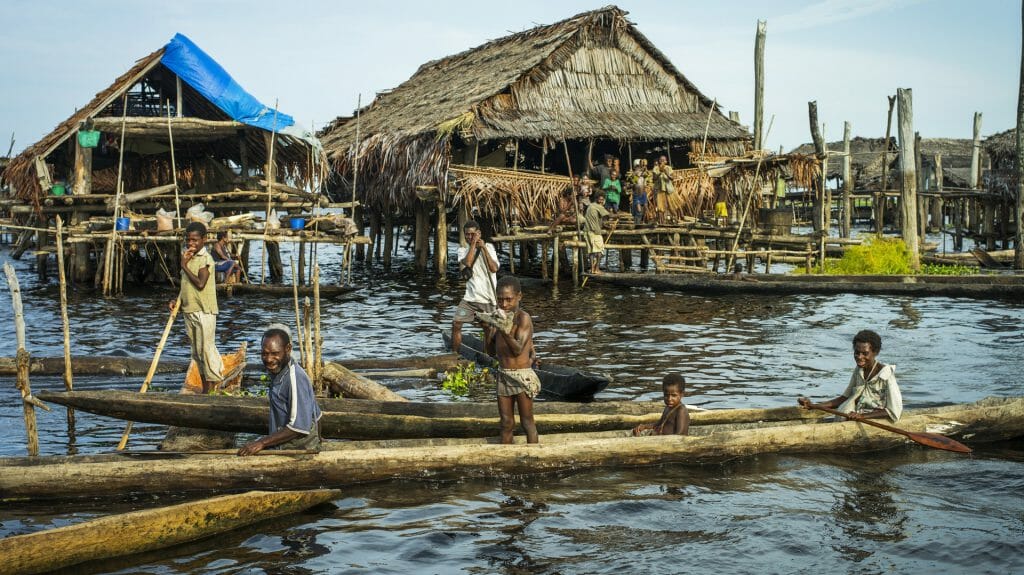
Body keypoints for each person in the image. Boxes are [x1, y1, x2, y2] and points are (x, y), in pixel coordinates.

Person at [238, 326, 323, 455]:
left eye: (275, 353)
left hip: (296, 449)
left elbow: (298, 427)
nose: (269, 359)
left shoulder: (295, 378)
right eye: (265, 354)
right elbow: (317, 414)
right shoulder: (280, 371)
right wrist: (319, 439)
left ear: (288, 349)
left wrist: (262, 443)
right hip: (285, 443)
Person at [798, 330, 903, 422]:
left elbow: (894, 410)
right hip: (855, 417)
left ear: (875, 352)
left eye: (865, 353)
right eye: (857, 353)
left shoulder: (886, 375)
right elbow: (844, 398)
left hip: (873, 421)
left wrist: (863, 416)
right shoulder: (859, 370)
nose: (859, 357)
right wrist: (814, 406)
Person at [483, 276, 539, 444]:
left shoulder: (523, 318)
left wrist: (503, 330)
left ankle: (534, 457)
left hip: (522, 376)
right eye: (500, 300)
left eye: (509, 299)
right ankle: (506, 458)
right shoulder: (498, 318)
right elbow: (491, 352)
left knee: (527, 421)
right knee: (506, 422)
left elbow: (517, 349)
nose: (504, 304)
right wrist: (487, 330)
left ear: (519, 297)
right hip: (504, 375)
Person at [172, 221, 223, 394]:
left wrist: (184, 266)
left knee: (206, 351)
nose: (191, 243)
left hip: (204, 311)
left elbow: (200, 283)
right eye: (189, 240)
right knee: (196, 353)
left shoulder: (205, 259)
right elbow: (186, 285)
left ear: (204, 240)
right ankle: (204, 388)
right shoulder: (188, 257)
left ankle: (213, 387)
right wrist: (176, 301)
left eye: (195, 240)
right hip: (189, 310)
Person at [451, 220, 499, 353]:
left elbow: (494, 268)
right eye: (467, 235)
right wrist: (473, 244)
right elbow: (468, 262)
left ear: (479, 234)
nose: (469, 237)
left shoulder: (489, 247)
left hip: (488, 299)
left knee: (487, 328)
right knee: (456, 323)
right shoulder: (462, 250)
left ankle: (488, 356)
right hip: (470, 299)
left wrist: (483, 248)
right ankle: (454, 355)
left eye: (473, 234)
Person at [584, 190, 609, 275]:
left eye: (602, 200)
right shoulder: (598, 206)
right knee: (599, 251)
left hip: (587, 231)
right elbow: (608, 215)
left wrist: (606, 226)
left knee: (591, 251)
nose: (601, 201)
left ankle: (592, 269)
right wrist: (618, 216)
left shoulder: (591, 206)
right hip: (595, 232)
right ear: (597, 199)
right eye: (600, 199)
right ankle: (596, 269)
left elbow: (598, 220)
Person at [652, 155, 674, 225]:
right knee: (660, 207)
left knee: (670, 205)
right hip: (659, 190)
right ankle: (661, 222)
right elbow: (654, 179)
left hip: (668, 190)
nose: (662, 161)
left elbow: (672, 178)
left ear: (666, 161)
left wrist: (666, 173)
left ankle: (672, 220)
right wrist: (660, 172)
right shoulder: (656, 168)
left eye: (664, 160)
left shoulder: (669, 168)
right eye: (661, 160)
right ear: (659, 161)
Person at [628, 159, 649, 225]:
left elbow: (646, 174)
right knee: (639, 210)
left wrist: (644, 169)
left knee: (644, 209)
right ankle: (637, 224)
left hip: (643, 194)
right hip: (637, 194)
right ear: (635, 167)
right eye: (638, 166)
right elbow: (634, 180)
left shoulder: (644, 174)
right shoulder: (633, 175)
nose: (640, 167)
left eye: (640, 166)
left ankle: (640, 223)